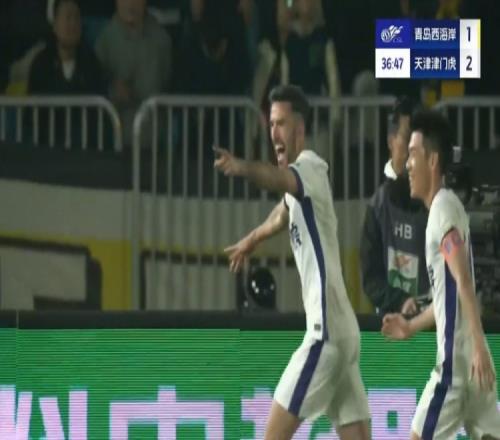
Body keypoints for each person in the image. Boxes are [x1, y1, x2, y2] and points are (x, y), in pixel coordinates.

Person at [214, 84, 370, 440]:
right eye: (270, 124)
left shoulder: (309, 169)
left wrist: (241, 167)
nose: (273, 133)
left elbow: (276, 179)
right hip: (345, 335)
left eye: (281, 124)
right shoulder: (302, 185)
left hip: (325, 334)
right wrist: (251, 241)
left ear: (299, 129)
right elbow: (282, 213)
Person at [382, 109, 500, 440]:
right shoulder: (444, 207)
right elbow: (448, 299)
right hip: (473, 365)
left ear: (432, 161)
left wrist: (477, 344)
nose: (407, 164)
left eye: (413, 154)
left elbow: (464, 282)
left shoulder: (442, 209)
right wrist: (411, 326)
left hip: (456, 368)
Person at [360, 97, 430, 316]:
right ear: (391, 141)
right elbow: (371, 279)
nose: (413, 150)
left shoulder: (436, 205)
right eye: (407, 139)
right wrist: (400, 301)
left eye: (420, 143)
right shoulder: (377, 206)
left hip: (432, 326)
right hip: (389, 324)